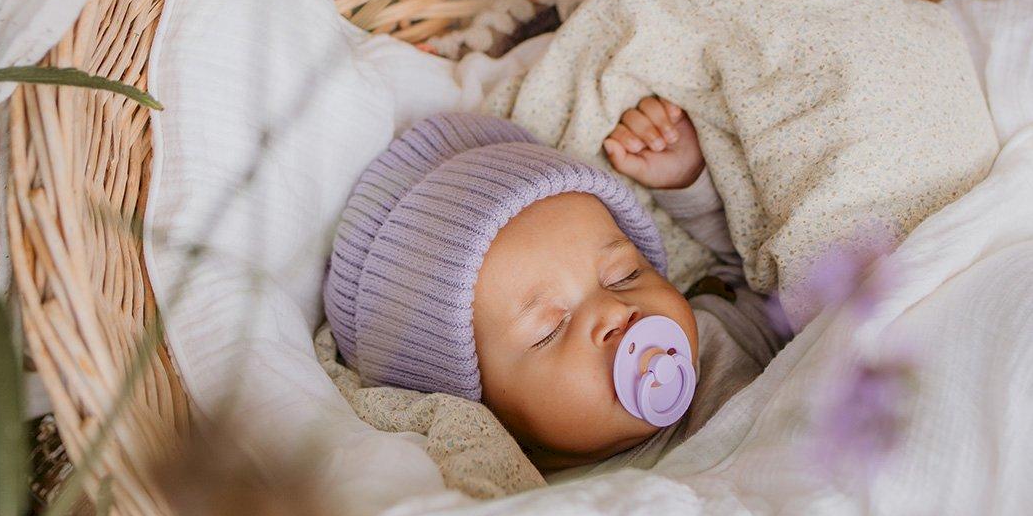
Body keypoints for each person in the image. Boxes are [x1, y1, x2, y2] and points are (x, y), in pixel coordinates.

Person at [324, 102, 782, 473]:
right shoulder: (534, 497)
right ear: (484, 410)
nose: (616, 312)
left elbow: (764, 268)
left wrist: (688, 185)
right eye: (549, 329)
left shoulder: (721, 333)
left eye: (626, 274)